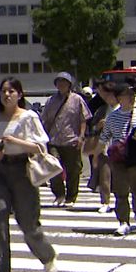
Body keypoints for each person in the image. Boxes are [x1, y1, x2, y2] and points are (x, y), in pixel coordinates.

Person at [0, 77, 58, 272]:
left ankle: (47, 256)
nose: (7, 95)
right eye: (4, 91)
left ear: (20, 95)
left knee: (29, 224)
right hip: (2, 172)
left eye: (12, 91)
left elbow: (40, 147)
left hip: (24, 171)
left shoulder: (28, 117)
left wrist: (16, 142)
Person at [101, 82, 136, 235]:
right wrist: (98, 155)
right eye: (126, 96)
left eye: (132, 96)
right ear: (119, 99)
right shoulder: (112, 117)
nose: (130, 99)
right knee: (121, 191)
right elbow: (104, 137)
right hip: (119, 159)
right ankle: (123, 221)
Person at [40, 72, 92, 208]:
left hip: (72, 140)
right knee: (53, 167)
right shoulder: (51, 100)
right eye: (59, 82)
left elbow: (83, 119)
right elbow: (44, 120)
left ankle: (71, 196)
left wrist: (81, 136)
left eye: (64, 82)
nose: (61, 85)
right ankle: (59, 194)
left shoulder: (77, 99)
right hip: (54, 140)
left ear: (69, 84)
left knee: (73, 170)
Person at [85, 81, 117, 214]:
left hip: (120, 147)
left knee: (120, 178)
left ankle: (123, 201)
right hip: (104, 145)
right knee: (104, 175)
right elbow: (92, 126)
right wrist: (97, 126)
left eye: (105, 93)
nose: (104, 96)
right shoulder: (102, 109)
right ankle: (105, 201)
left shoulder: (123, 109)